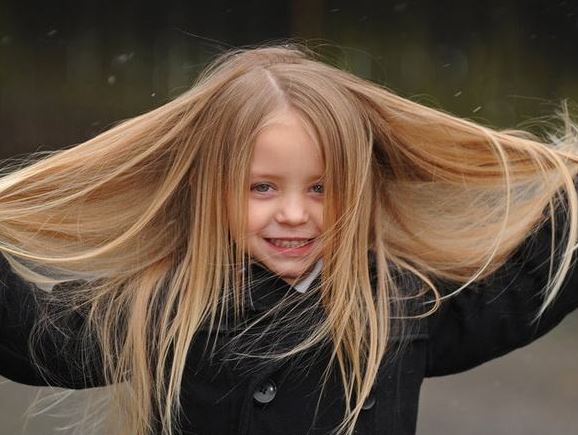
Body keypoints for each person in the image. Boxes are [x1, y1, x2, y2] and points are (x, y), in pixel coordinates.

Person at [0, 42, 578, 435]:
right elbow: (32, 337)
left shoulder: (395, 305)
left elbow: (524, 291)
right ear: (212, 189)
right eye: (264, 188)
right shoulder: (168, 305)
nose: (296, 213)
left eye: (323, 187)